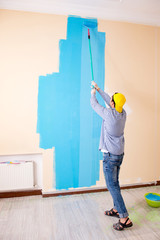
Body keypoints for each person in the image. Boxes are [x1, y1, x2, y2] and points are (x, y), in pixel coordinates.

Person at [90, 81, 133, 231]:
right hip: (119, 154)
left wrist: (93, 93)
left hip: (110, 156)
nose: (110, 101)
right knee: (115, 183)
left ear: (113, 104)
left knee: (112, 185)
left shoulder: (108, 114)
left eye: (112, 101)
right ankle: (116, 209)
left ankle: (124, 218)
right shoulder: (122, 113)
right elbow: (110, 100)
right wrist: (99, 89)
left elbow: (94, 105)